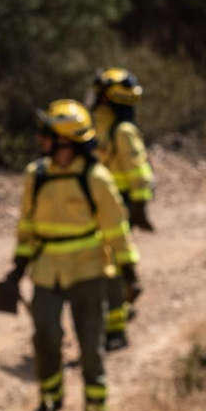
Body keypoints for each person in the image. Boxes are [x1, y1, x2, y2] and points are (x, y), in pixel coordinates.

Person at [8, 100, 132, 411]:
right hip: (47, 271)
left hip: (89, 271)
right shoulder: (35, 176)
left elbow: (116, 227)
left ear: (64, 141)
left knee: (91, 343)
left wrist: (129, 268)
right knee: (44, 336)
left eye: (46, 134)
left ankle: (96, 406)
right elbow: (26, 225)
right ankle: (51, 398)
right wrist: (17, 267)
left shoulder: (96, 178)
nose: (40, 140)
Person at [88, 68, 149, 351]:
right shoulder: (94, 125)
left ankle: (116, 325)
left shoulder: (121, 131)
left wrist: (138, 206)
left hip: (118, 205)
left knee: (111, 266)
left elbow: (139, 172)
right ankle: (117, 310)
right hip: (94, 202)